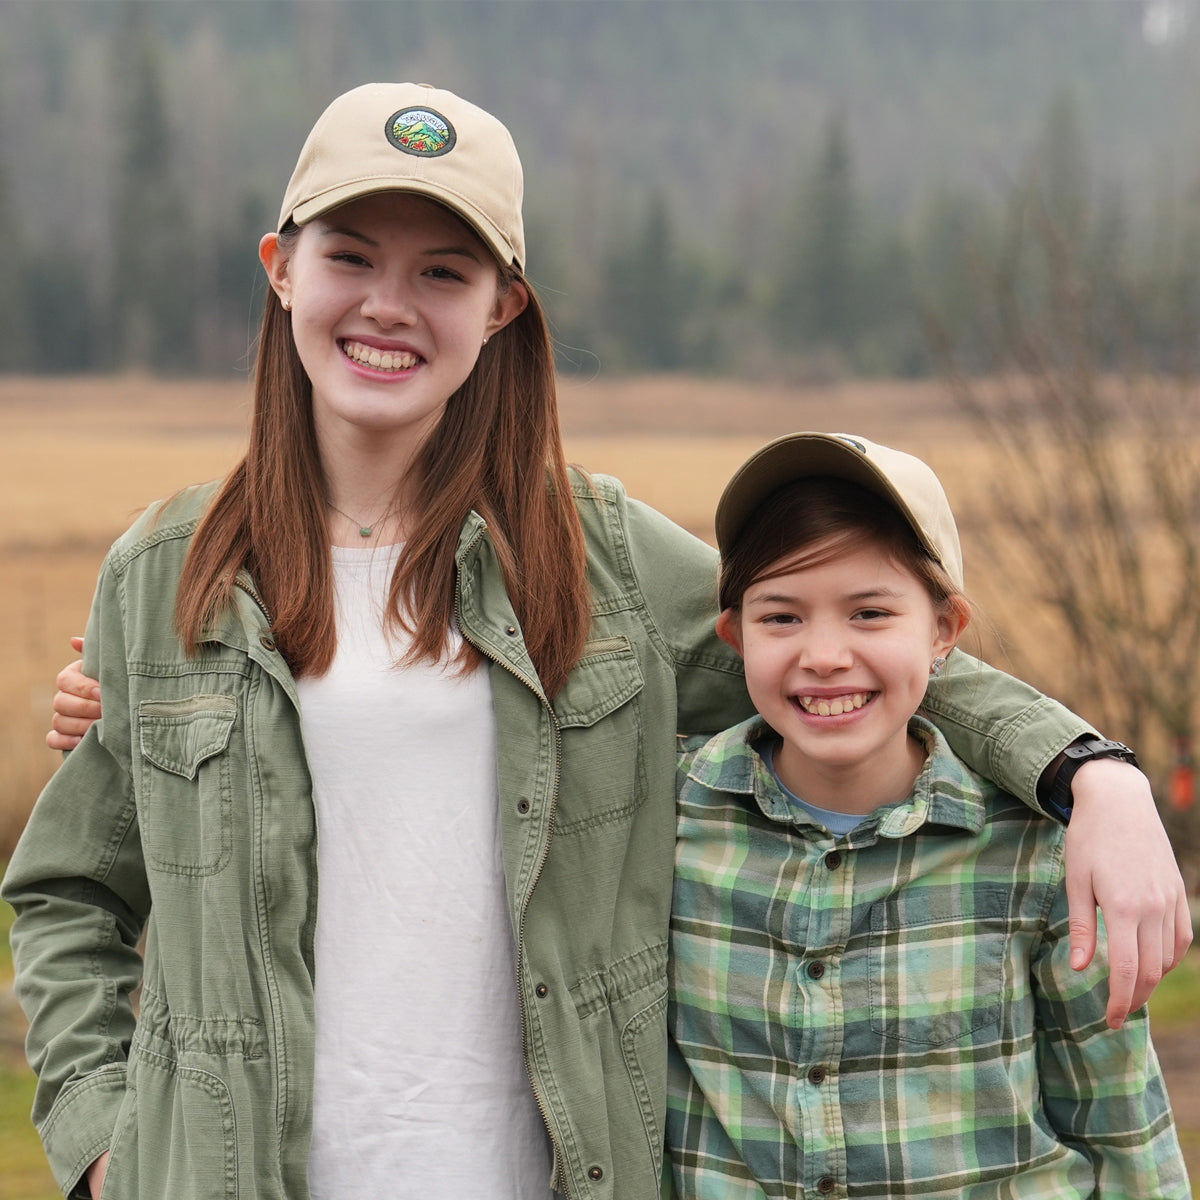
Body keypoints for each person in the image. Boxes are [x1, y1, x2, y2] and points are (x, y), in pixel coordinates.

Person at [5, 81, 1188, 1200]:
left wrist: (1095, 777)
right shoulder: (168, 574)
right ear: (281, 271)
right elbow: (65, 891)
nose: (387, 305)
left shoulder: (601, 557)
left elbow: (849, 655)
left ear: (503, 305)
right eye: (350, 257)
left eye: (443, 271)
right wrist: (105, 1138)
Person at [666, 432, 1190, 1199]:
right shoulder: (667, 822)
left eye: (870, 613)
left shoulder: (1040, 852)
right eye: (781, 618)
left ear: (945, 631)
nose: (823, 655)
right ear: (734, 634)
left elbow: (1120, 1128)